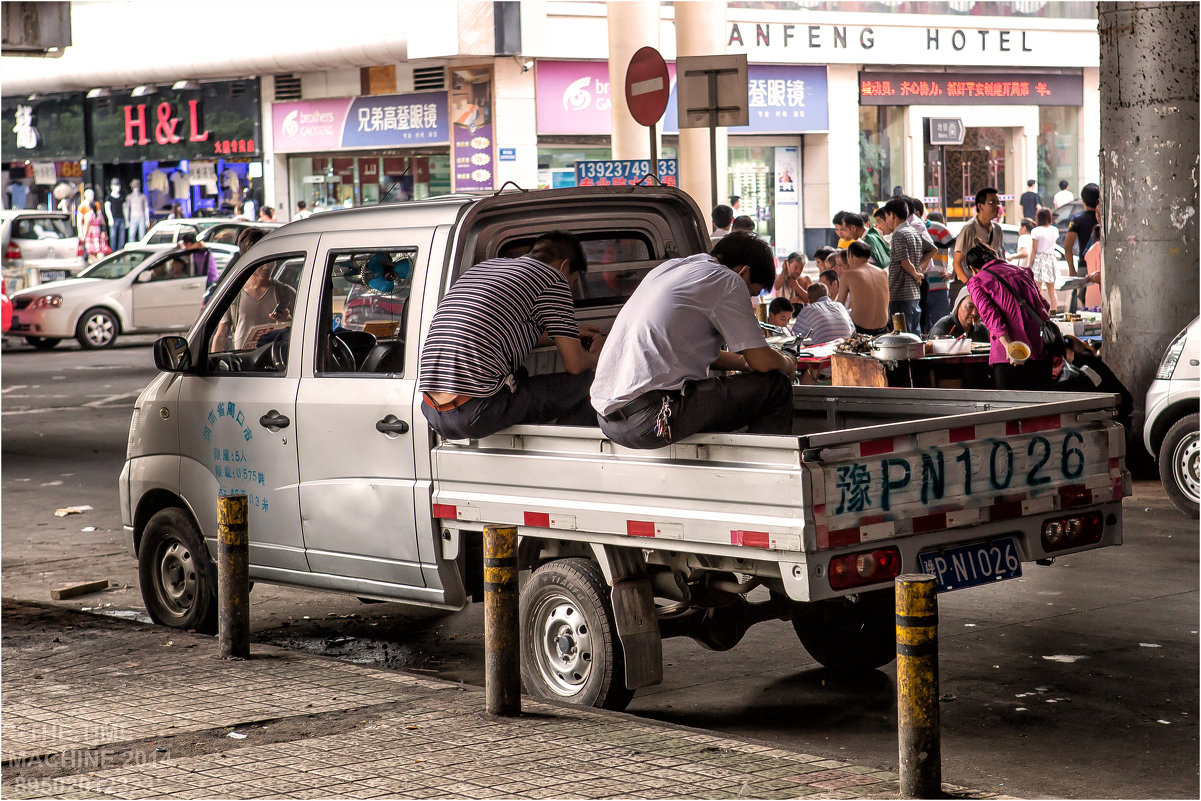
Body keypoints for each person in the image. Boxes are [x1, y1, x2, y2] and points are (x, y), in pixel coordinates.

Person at [591, 231, 796, 449]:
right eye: (751, 292)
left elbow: (684, 348)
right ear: (743, 272)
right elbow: (762, 362)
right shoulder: (728, 280)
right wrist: (788, 362)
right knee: (776, 386)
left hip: (609, 420)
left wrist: (742, 362)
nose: (749, 300)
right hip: (651, 418)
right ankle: (768, 473)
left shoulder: (669, 270)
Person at [418, 231, 604, 441]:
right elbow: (575, 365)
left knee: (521, 377)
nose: (570, 287)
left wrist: (564, 335)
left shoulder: (485, 268)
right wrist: (599, 353)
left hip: (433, 411)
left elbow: (501, 332)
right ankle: (568, 450)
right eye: (574, 280)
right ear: (565, 266)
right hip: (477, 410)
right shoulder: (554, 279)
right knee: (596, 385)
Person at [965, 244, 1052, 391]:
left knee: (1011, 409)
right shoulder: (1023, 272)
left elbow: (991, 316)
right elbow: (1044, 306)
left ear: (972, 269)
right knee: (1039, 407)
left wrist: (1009, 348)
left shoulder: (977, 281)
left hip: (1009, 357)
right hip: (1039, 350)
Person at [213, 260, 297, 351]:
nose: (266, 267)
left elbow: (301, 330)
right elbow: (222, 334)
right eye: (263, 263)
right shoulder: (233, 294)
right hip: (242, 357)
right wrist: (213, 362)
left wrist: (288, 319)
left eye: (270, 262)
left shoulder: (286, 292)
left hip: (273, 355)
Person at [1057, 335, 1132, 431]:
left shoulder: (1081, 363)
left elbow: (1096, 386)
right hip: (1119, 404)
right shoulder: (1085, 359)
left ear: (1068, 351)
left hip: (1117, 408)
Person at [877, 197, 923, 334]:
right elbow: (932, 249)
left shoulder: (898, 234)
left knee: (902, 336)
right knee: (915, 334)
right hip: (914, 293)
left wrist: (915, 273)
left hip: (900, 293)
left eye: (886, 217)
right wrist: (919, 269)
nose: (886, 221)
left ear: (893, 215)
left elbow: (904, 261)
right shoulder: (913, 231)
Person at [953, 187, 1005, 285]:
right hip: (973, 285)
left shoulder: (997, 229)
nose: (997, 206)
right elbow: (956, 263)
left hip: (991, 284)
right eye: (992, 203)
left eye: (998, 203)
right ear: (980, 206)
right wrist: (970, 285)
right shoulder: (969, 229)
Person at [836, 240, 890, 334]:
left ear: (850, 255)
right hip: (883, 326)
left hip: (860, 328)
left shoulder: (849, 274)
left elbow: (839, 305)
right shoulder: (883, 272)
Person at [1063, 182, 1100, 313]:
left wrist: (1072, 269)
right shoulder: (1103, 218)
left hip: (1085, 266)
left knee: (1083, 299)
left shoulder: (1077, 219)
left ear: (1083, 200)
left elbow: (1068, 247)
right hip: (1103, 266)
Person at [922, 211, 955, 332]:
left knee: (940, 325)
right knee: (930, 326)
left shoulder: (939, 229)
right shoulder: (915, 229)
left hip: (938, 284)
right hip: (926, 284)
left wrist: (952, 273)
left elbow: (958, 247)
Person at [1029, 208, 1060, 311]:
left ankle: (1040, 311)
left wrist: (1029, 265)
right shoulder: (1054, 230)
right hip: (1051, 259)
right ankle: (1054, 311)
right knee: (1051, 290)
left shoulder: (1036, 231)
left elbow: (1034, 250)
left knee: (1038, 289)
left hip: (1039, 259)